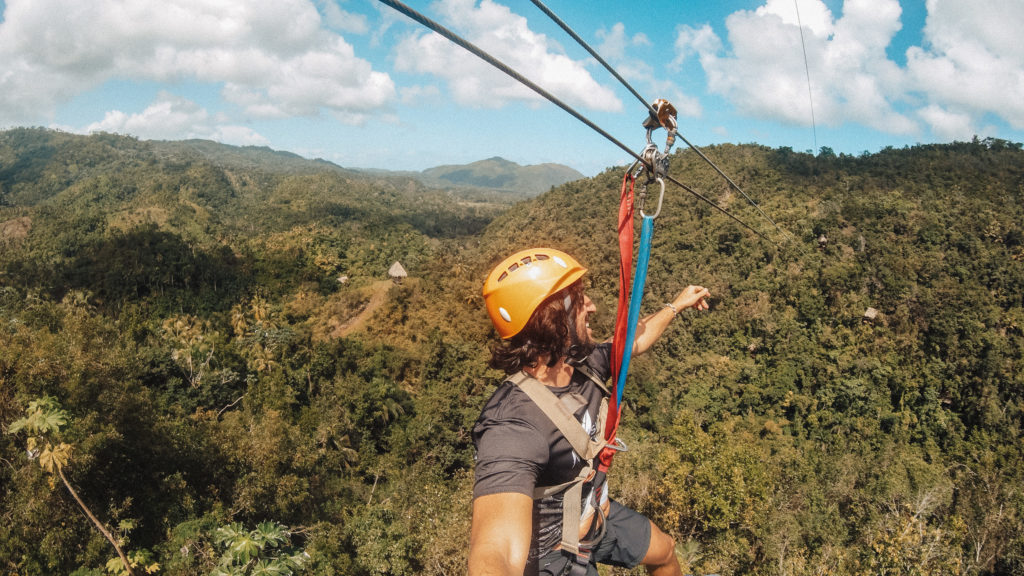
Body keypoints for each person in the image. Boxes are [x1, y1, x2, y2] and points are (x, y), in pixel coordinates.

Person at [470, 247, 710, 576]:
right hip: (552, 556)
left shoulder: (584, 364)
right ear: (552, 319)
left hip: (594, 514)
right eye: (581, 300)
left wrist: (675, 305)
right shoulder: (513, 425)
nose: (592, 307)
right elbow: (497, 548)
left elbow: (633, 342)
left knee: (665, 551)